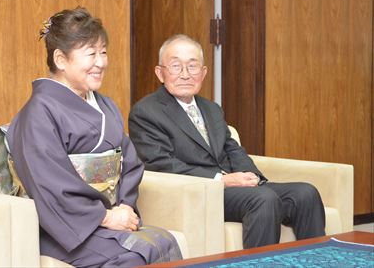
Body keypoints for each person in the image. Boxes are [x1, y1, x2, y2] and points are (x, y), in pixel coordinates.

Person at [6, 8, 181, 267]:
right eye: (91, 53)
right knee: (135, 255)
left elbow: (129, 163)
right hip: (64, 230)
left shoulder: (105, 106)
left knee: (166, 242)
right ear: (61, 59)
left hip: (106, 218)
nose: (101, 62)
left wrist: (124, 207)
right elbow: (50, 185)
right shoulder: (38, 112)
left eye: (104, 51)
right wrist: (104, 217)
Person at [128, 34, 325, 249]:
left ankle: (314, 261)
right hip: (199, 192)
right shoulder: (146, 112)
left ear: (203, 73)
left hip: (232, 190)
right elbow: (162, 164)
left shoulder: (211, 108)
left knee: (306, 193)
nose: (185, 74)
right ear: (160, 73)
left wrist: (252, 178)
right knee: (263, 199)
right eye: (175, 66)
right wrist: (221, 180)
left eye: (192, 67)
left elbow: (233, 149)